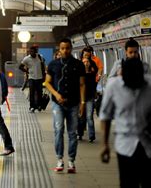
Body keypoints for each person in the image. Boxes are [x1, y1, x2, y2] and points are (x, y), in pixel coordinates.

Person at [100, 58, 151, 187]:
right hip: (125, 146)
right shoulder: (113, 86)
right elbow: (105, 116)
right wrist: (105, 145)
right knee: (128, 184)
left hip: (150, 145)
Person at [44, 38, 86, 173]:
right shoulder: (53, 65)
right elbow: (47, 83)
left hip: (73, 103)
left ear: (71, 49)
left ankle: (71, 161)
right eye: (62, 48)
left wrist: (83, 102)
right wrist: (56, 95)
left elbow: (82, 84)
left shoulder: (79, 65)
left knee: (72, 133)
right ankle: (59, 159)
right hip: (58, 104)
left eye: (67, 48)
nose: (65, 51)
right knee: (59, 129)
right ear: (59, 49)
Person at [19, 45, 46, 112]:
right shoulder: (26, 59)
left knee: (40, 93)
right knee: (32, 93)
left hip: (39, 78)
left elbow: (43, 66)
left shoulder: (40, 57)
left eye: (33, 51)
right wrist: (27, 71)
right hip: (31, 78)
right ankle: (32, 106)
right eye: (30, 51)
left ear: (36, 51)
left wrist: (44, 76)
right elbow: (20, 67)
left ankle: (39, 105)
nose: (31, 53)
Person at [77, 56, 98, 142]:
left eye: (87, 62)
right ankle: (80, 133)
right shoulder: (79, 74)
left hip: (90, 98)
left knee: (89, 116)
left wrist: (95, 93)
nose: (85, 63)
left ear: (89, 63)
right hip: (80, 98)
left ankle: (91, 135)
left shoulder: (92, 74)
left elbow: (94, 85)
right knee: (81, 117)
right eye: (84, 62)